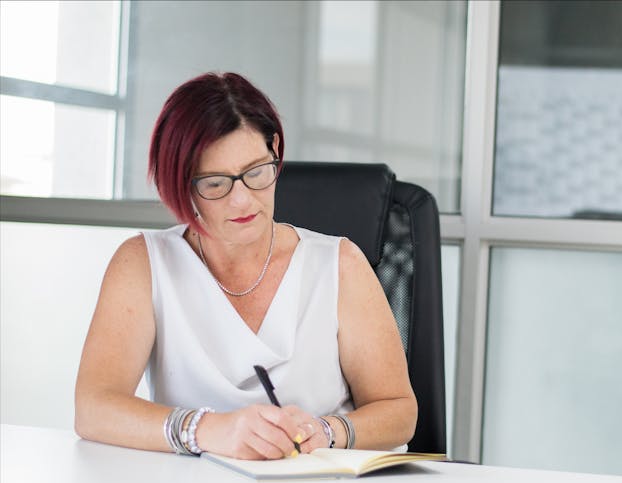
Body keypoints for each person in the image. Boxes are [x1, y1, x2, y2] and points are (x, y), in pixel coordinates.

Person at [74, 72, 417, 460]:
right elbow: (93, 407)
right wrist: (207, 429)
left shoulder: (340, 264)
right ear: (180, 182)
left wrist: (327, 431)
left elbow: (399, 411)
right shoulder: (143, 263)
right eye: (216, 184)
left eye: (256, 173)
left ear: (274, 150)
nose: (242, 201)